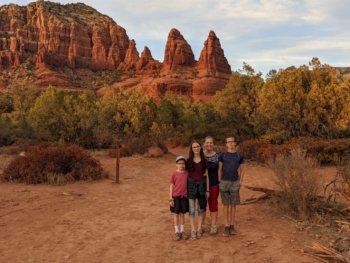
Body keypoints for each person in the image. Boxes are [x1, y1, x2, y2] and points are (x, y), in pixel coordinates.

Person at [218, 136, 245, 237]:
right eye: (228, 142)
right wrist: (220, 181)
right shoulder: (222, 155)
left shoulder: (239, 156)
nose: (230, 143)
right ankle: (226, 225)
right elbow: (219, 170)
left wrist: (240, 182)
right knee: (226, 205)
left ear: (235, 143)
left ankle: (232, 226)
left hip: (235, 182)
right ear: (226, 144)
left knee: (233, 205)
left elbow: (242, 170)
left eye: (232, 142)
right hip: (224, 182)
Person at [187, 140, 209, 240]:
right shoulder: (188, 161)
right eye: (194, 147)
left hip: (202, 187)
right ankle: (193, 230)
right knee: (191, 210)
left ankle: (199, 228)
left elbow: (207, 176)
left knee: (201, 209)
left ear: (200, 147)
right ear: (192, 149)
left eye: (197, 146)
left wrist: (207, 190)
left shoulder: (204, 160)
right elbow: (185, 175)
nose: (196, 148)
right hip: (191, 187)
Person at [169, 155, 189, 241]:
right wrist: (170, 198)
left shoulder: (187, 173)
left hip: (184, 197)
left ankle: (182, 231)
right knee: (176, 214)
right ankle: (177, 232)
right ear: (176, 164)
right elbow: (171, 186)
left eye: (183, 163)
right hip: (176, 197)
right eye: (179, 163)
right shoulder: (174, 174)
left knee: (182, 214)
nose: (181, 165)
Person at [203, 136, 220, 235]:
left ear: (213, 144)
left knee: (213, 204)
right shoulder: (200, 156)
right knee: (202, 206)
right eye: (207, 143)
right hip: (201, 184)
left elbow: (220, 170)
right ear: (204, 144)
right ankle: (202, 225)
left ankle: (213, 225)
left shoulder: (217, 157)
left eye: (211, 143)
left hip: (214, 184)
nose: (209, 144)